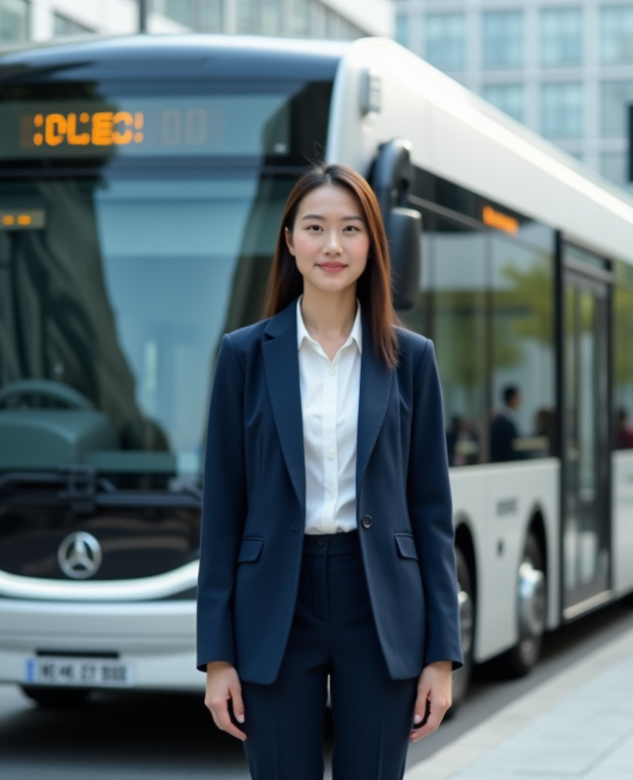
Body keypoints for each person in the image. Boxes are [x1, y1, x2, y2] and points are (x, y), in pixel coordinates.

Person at [197, 164, 463, 780]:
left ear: (373, 243)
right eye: (315, 228)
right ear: (290, 240)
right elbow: (224, 510)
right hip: (274, 605)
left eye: (350, 229)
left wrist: (441, 657)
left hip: (380, 602)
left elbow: (431, 512)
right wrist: (217, 657)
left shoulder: (411, 359)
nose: (333, 246)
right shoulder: (243, 355)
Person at [489, 385, 522, 462]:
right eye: (518, 397)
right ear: (512, 398)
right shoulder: (503, 419)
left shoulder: (505, 416)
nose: (520, 401)